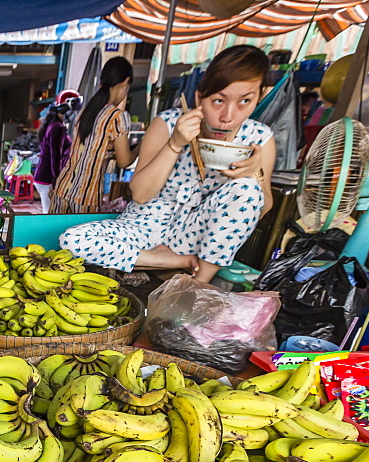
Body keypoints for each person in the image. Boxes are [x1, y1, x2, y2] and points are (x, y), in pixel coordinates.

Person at [59, 46, 276, 284]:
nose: (228, 116)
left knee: (246, 188)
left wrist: (255, 174)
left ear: (260, 97)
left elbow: (259, 208)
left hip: (195, 235)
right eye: (218, 100)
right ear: (199, 97)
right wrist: (175, 144)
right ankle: (167, 260)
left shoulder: (258, 138)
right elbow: (140, 194)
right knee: (73, 240)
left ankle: (197, 284)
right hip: (145, 225)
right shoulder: (168, 123)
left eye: (245, 101)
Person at [50, 58, 135, 214]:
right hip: (86, 196)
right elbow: (124, 161)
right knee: (77, 239)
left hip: (62, 189)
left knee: (51, 238)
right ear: (126, 83)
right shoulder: (117, 116)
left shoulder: (87, 111)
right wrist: (140, 147)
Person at [35, 91, 79, 213]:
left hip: (44, 176)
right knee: (48, 212)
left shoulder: (55, 125)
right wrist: (56, 183)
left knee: (49, 211)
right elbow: (55, 157)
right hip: (47, 177)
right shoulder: (57, 128)